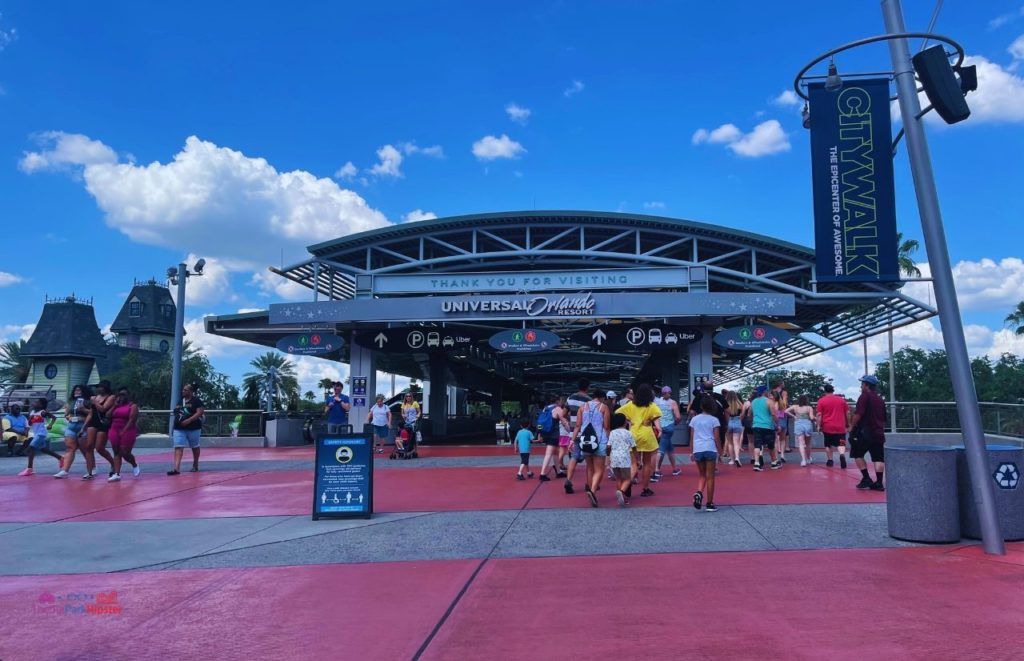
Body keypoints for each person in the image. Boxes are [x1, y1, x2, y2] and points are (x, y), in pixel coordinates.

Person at [616, 383, 661, 497]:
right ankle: (645, 489)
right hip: (647, 434)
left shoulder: (631, 404)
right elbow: (657, 424)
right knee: (647, 463)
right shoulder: (652, 406)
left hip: (633, 433)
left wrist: (630, 420)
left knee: (633, 464)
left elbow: (617, 412)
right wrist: (659, 431)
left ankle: (625, 487)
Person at [572, 389, 610, 506]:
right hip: (599, 441)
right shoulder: (603, 407)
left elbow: (577, 425)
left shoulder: (582, 407)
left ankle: (590, 488)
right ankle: (593, 491)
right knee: (599, 469)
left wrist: (572, 441)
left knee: (589, 468)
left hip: (585, 441)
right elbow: (606, 426)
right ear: (602, 397)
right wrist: (609, 442)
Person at [850, 375, 886, 491]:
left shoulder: (864, 397)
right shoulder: (880, 399)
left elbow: (859, 414)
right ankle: (879, 483)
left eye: (862, 384)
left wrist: (852, 426)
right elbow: (884, 417)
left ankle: (866, 478)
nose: (861, 386)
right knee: (878, 458)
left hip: (864, 432)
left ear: (867, 385)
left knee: (857, 454)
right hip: (878, 432)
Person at [689, 397, 721, 512]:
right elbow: (717, 438)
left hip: (698, 449)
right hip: (710, 448)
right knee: (710, 477)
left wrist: (691, 451)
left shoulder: (694, 420)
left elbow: (692, 437)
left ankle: (698, 493)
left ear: (701, 406)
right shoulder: (714, 420)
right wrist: (720, 452)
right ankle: (709, 503)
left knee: (702, 475)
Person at [55, 384, 91, 478]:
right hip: (71, 426)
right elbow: (66, 414)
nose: (76, 392)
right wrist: (68, 417)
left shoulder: (88, 401)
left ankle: (91, 468)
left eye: (79, 390)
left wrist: (83, 411)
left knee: (85, 450)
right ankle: (65, 470)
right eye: (75, 390)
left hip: (83, 426)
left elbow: (92, 414)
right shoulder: (70, 401)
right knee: (70, 448)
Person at [168, 383, 204, 475]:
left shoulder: (196, 401)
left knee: (194, 446)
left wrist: (189, 420)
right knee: (178, 446)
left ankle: (195, 464)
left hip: (193, 428)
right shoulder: (180, 402)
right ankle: (176, 468)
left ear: (191, 391)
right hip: (179, 428)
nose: (183, 391)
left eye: (185, 390)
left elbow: (200, 412)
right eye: (183, 390)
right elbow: (177, 411)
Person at [563, 379, 592, 492]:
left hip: (573, 433)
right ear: (587, 387)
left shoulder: (570, 398)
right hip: (586, 433)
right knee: (589, 458)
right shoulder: (589, 401)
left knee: (574, 456)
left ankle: (569, 480)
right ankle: (588, 484)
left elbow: (563, 414)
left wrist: (568, 422)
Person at [18, 399, 60, 476]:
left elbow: (54, 417)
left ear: (41, 405)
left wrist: (50, 425)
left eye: (36, 402)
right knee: (44, 449)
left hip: (41, 433)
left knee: (30, 449)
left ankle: (29, 469)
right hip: (36, 433)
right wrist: (30, 420)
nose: (34, 403)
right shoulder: (32, 412)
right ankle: (60, 458)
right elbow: (30, 424)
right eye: (34, 402)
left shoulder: (43, 412)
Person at [85, 380, 118, 478]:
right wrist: (84, 426)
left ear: (105, 388)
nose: (98, 389)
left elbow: (103, 409)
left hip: (103, 423)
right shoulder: (95, 397)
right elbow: (91, 412)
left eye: (100, 387)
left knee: (99, 448)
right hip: (93, 422)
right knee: (89, 446)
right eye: (97, 387)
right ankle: (90, 471)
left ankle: (113, 463)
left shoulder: (111, 397)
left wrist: (94, 401)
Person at [107, 387, 140, 481]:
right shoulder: (116, 406)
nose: (121, 396)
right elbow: (108, 415)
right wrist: (114, 405)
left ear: (128, 395)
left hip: (128, 429)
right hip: (114, 428)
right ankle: (116, 473)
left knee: (125, 452)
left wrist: (124, 431)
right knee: (116, 451)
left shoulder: (132, 406)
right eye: (120, 394)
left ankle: (134, 464)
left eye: (124, 394)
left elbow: (132, 420)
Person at [816, 384, 849, 469]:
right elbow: (847, 413)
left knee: (828, 444)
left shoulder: (821, 401)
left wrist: (818, 425)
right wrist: (848, 423)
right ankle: (842, 454)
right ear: (833, 390)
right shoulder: (841, 400)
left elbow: (819, 415)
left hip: (827, 426)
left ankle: (830, 460)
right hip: (840, 426)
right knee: (841, 443)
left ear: (825, 391)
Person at [606, 413, 637, 507]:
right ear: (625, 422)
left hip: (614, 457)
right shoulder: (628, 433)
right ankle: (621, 492)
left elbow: (608, 446)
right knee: (628, 478)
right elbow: (634, 447)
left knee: (619, 478)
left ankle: (621, 498)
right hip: (625, 458)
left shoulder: (612, 432)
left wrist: (608, 456)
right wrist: (637, 458)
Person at [654, 385, 682, 479]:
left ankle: (675, 468)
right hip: (669, 427)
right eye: (669, 393)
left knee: (669, 447)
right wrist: (675, 423)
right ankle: (656, 470)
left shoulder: (657, 402)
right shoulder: (672, 402)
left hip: (659, 426)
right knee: (661, 449)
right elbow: (678, 417)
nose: (669, 394)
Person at [751, 386, 781, 471]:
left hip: (756, 425)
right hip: (768, 426)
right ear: (765, 392)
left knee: (757, 445)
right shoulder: (769, 401)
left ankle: (756, 463)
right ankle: (774, 462)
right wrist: (777, 424)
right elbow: (773, 414)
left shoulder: (753, 402)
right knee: (771, 445)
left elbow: (750, 413)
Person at [537, 394, 564, 481]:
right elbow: (563, 420)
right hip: (554, 434)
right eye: (560, 400)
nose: (561, 402)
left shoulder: (545, 408)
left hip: (546, 433)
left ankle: (558, 472)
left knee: (555, 453)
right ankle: (542, 474)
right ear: (557, 401)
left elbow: (540, 423)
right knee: (549, 454)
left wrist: (540, 433)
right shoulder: (557, 408)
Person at [786, 395, 816, 467]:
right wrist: (816, 418)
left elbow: (786, 411)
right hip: (807, 424)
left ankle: (803, 460)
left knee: (801, 443)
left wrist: (794, 416)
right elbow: (811, 417)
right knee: (808, 443)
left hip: (798, 424)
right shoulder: (809, 408)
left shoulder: (795, 407)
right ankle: (808, 458)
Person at [724, 390, 745, 468]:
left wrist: (727, 424)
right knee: (736, 443)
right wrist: (739, 419)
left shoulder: (726, 405)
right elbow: (743, 414)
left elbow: (726, 415)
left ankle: (732, 460)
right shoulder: (739, 404)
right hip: (737, 421)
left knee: (730, 443)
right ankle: (737, 458)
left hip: (729, 422)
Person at [772, 380, 790, 456]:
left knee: (775, 438)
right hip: (782, 417)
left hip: (774, 418)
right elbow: (785, 404)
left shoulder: (772, 392)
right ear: (780, 384)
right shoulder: (784, 393)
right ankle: (782, 454)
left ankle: (776, 453)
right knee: (783, 437)